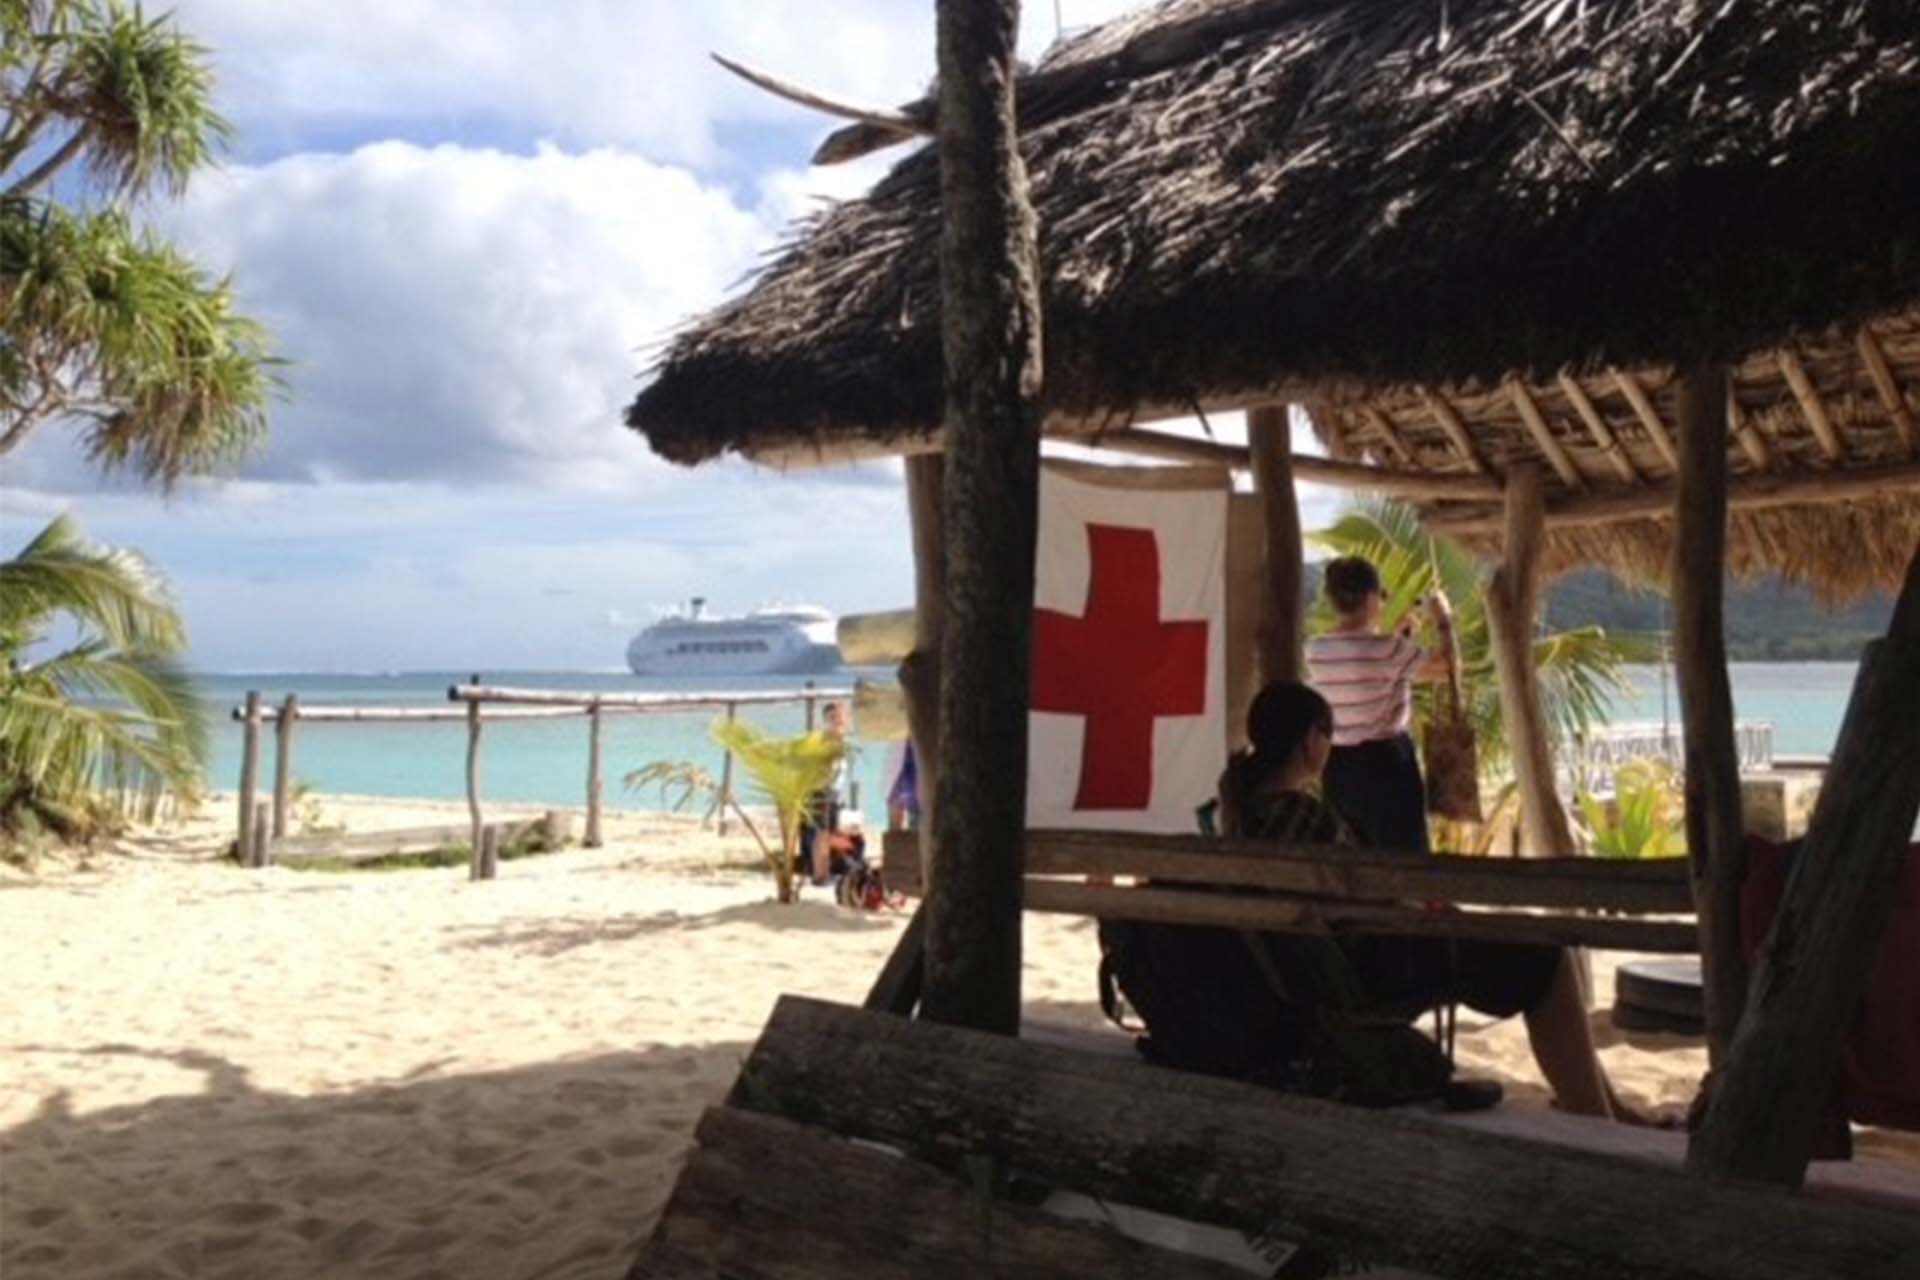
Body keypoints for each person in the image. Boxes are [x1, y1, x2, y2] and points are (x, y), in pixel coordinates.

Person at [1219, 681, 1649, 1123]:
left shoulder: (1237, 815)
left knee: (1519, 946)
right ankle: (1594, 1111)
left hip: (1317, 970)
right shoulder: (1303, 816)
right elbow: (1375, 892)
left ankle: (1608, 1104)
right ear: (1313, 741)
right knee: (1546, 960)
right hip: (1368, 970)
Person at [1305, 556, 1456, 854]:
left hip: (1338, 768)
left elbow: (1363, 662)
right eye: (1382, 595)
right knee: (1405, 859)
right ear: (1371, 597)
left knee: (1352, 862)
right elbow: (1447, 667)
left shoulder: (1315, 650)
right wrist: (1444, 620)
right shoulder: (1388, 650)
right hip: (1387, 766)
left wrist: (1397, 636)